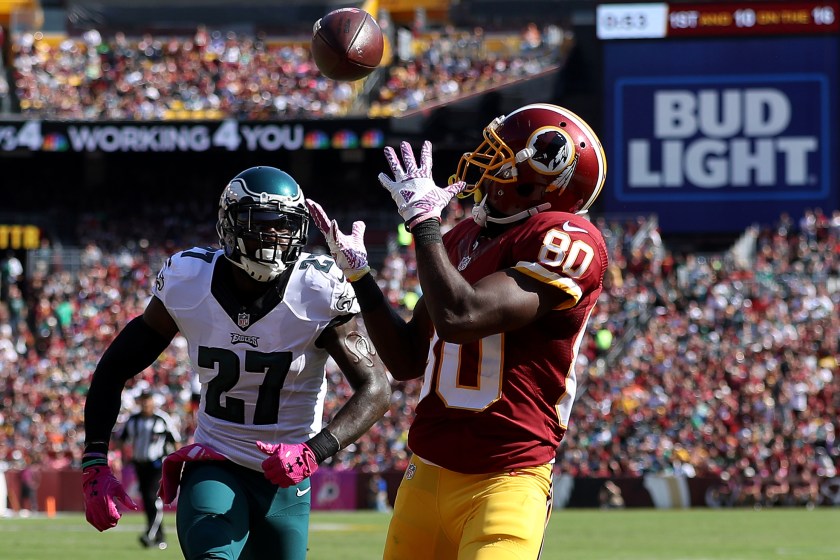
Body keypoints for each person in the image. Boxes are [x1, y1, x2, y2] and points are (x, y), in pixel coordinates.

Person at [307, 103, 608, 559]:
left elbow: (461, 318)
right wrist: (361, 278)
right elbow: (407, 358)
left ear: (542, 174)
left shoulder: (568, 239)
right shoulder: (462, 236)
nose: (487, 160)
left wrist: (424, 224)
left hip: (506, 478)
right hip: (427, 472)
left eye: (503, 152)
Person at [82, 166, 391, 560]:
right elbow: (113, 369)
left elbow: (377, 388)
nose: (275, 237)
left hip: (287, 478)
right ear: (230, 225)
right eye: (262, 223)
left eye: (285, 226)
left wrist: (315, 451)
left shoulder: (318, 289)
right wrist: (94, 459)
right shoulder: (188, 280)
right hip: (217, 462)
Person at [117, 391, 182, 549]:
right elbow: (121, 439)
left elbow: (176, 441)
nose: (146, 404)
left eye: (148, 401)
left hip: (157, 464)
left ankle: (149, 534)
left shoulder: (162, 419)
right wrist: (121, 457)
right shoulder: (133, 420)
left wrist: (178, 463)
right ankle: (160, 537)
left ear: (153, 402)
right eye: (143, 401)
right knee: (147, 500)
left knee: (154, 498)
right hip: (140, 464)